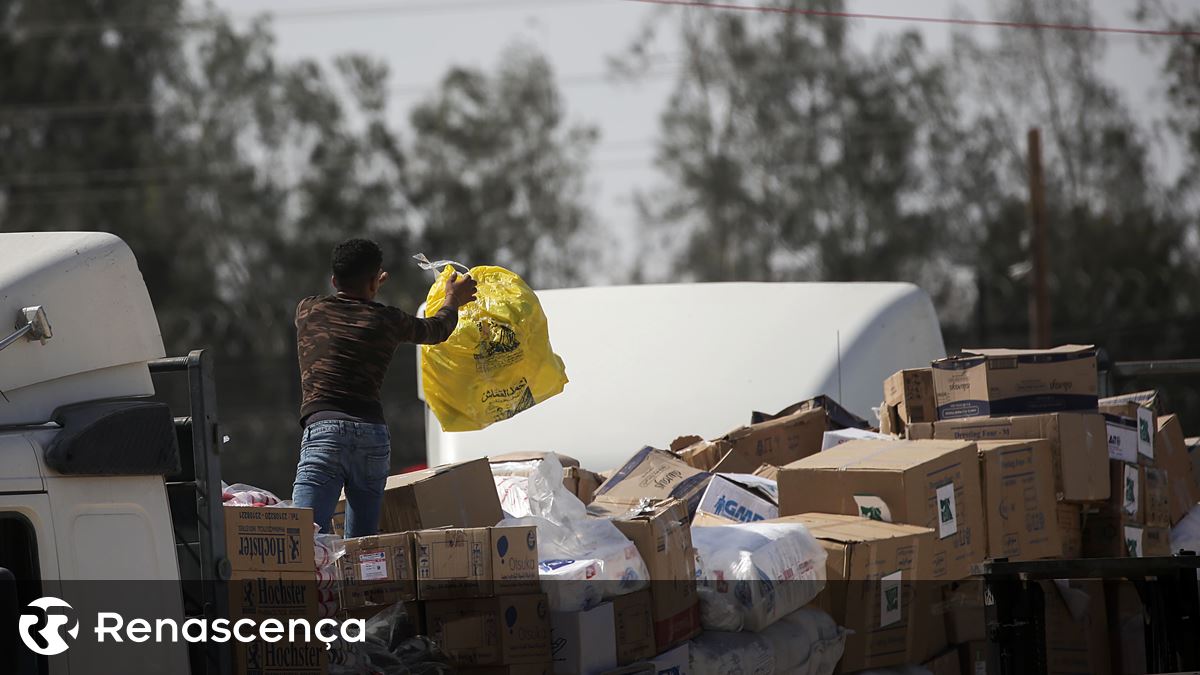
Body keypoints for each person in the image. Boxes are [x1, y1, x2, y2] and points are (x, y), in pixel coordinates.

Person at [292, 238, 477, 537]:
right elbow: (437, 329)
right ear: (374, 281)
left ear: (334, 280)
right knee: (363, 546)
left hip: (324, 433)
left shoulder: (307, 311)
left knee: (304, 537)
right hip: (371, 437)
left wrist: (368, 286)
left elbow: (351, 306)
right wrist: (452, 298)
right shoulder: (387, 320)